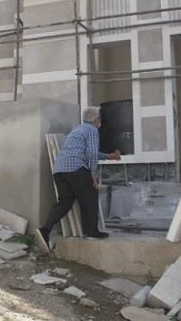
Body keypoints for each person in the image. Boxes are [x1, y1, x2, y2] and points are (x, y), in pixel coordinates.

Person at [35, 107, 120, 255]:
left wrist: (107, 156)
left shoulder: (78, 130)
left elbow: (86, 151)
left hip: (59, 169)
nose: (100, 121)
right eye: (99, 119)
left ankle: (45, 230)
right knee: (90, 195)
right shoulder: (92, 130)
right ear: (96, 120)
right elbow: (91, 153)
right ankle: (92, 231)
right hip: (75, 167)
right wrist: (93, 175)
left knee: (65, 202)